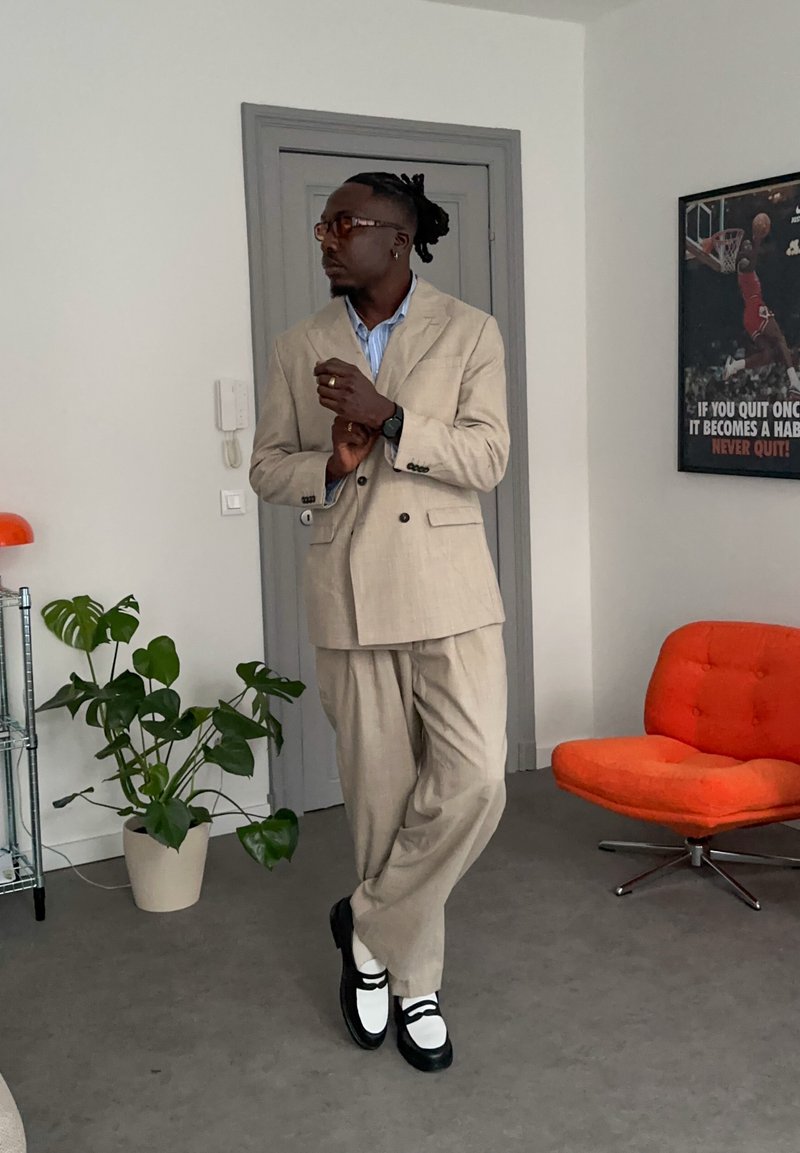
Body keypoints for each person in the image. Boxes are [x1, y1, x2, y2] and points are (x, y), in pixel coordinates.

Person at [250, 171, 509, 1073]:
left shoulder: (470, 331)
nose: (324, 236)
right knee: (380, 797)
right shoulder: (298, 344)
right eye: (322, 223)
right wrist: (330, 461)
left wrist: (392, 416)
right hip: (349, 589)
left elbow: (488, 455)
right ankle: (414, 983)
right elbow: (266, 468)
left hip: (450, 590)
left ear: (396, 238)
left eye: (343, 223)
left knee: (477, 780)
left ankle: (363, 925)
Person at [723, 233, 800, 399]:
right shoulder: (743, 264)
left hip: (749, 315)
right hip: (755, 307)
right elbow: (752, 262)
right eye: (746, 246)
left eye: (750, 245)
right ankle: (794, 382)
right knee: (780, 338)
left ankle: (735, 366)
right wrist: (757, 241)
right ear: (740, 251)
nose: (749, 247)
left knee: (768, 355)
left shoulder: (748, 268)